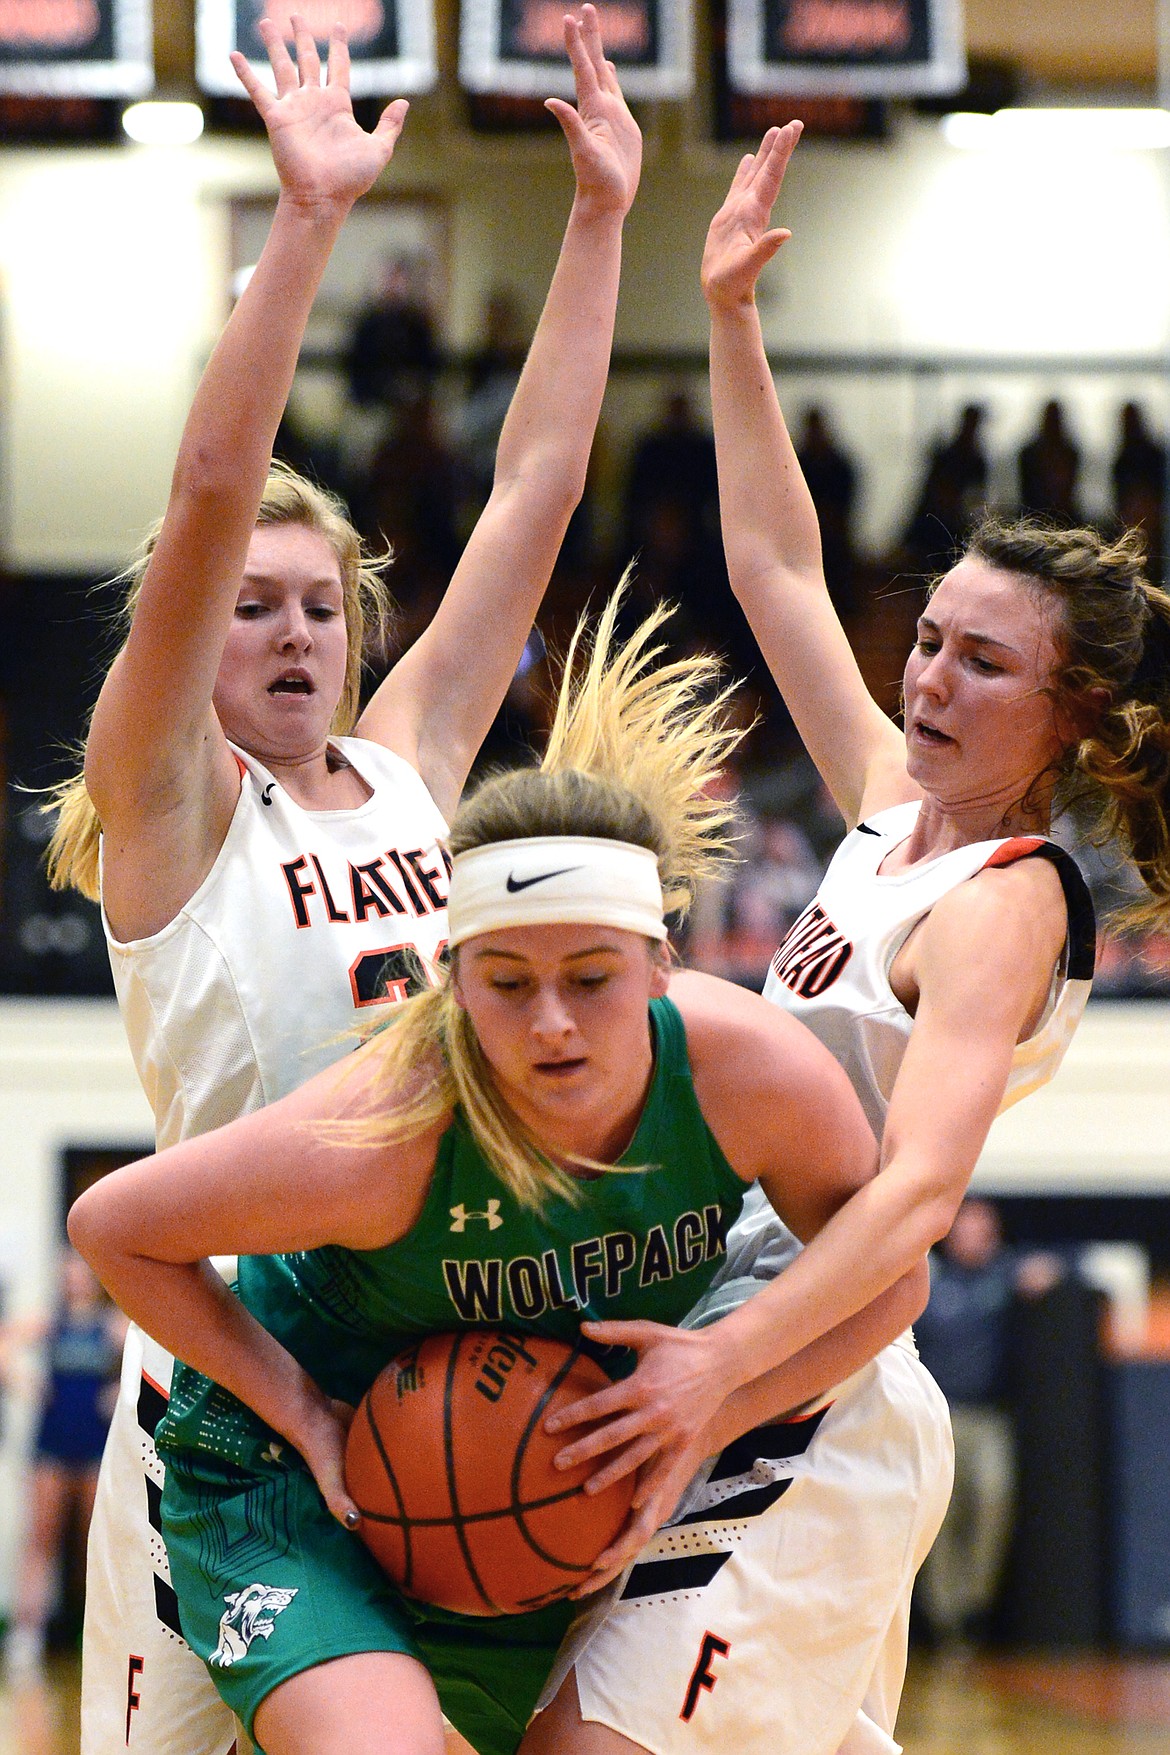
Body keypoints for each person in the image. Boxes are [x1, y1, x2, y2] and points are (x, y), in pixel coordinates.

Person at [518, 121, 1170, 1755]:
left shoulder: (1009, 901)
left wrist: (718, 1367)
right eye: (930, 641)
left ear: (1074, 708)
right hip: (740, 1349)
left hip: (809, 1390)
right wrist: (732, 316)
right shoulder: (888, 804)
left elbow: (916, 1203)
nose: (930, 680)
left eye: (983, 665)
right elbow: (774, 563)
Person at [43, 9, 643, 1753]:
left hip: (429, 1364)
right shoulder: (167, 811)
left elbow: (533, 486)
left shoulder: (403, 774)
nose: (292, 626)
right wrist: (305, 227)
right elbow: (215, 483)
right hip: (229, 1385)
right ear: (196, 642)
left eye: (322, 603)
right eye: (251, 605)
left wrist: (602, 223)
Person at [67, 593, 938, 1755]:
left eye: (591, 978)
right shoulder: (389, 1127)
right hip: (297, 1479)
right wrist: (307, 1415)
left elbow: (890, 1281)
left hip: (534, 1466)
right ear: (452, 981)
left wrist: (719, 1387)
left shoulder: (749, 1075)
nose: (553, 1026)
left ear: (660, 964)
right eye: (508, 985)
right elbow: (113, 1226)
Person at [913, 1197, 1062, 1648]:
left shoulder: (1003, 1278)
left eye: (983, 1229)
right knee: (940, 1519)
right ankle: (944, 1620)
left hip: (990, 1419)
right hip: (940, 1420)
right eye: (967, 1228)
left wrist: (1049, 1271)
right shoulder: (928, 1284)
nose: (974, 1237)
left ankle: (975, 1607)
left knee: (993, 1504)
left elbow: (1069, 1262)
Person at [1, 1250, 125, 1681]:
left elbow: (157, 1357)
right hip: (52, 1445)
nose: (73, 1280)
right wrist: (24, 1381)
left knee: (95, 1544)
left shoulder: (112, 1326)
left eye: (80, 1273)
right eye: (66, 1273)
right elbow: (5, 1344)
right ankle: (26, 1637)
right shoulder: (50, 1322)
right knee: (41, 1538)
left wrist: (120, 1393)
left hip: (95, 1445)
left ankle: (99, 1641)